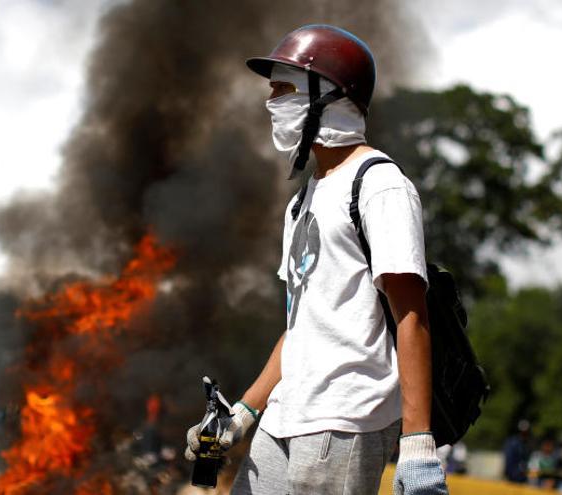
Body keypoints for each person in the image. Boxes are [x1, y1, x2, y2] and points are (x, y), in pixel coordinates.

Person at [185, 24, 447, 494]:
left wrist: (418, 444)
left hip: (344, 417)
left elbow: (412, 316)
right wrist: (244, 413)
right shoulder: (302, 199)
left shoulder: (380, 185)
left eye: (284, 90)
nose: (272, 104)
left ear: (327, 95)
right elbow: (301, 326)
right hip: (285, 415)